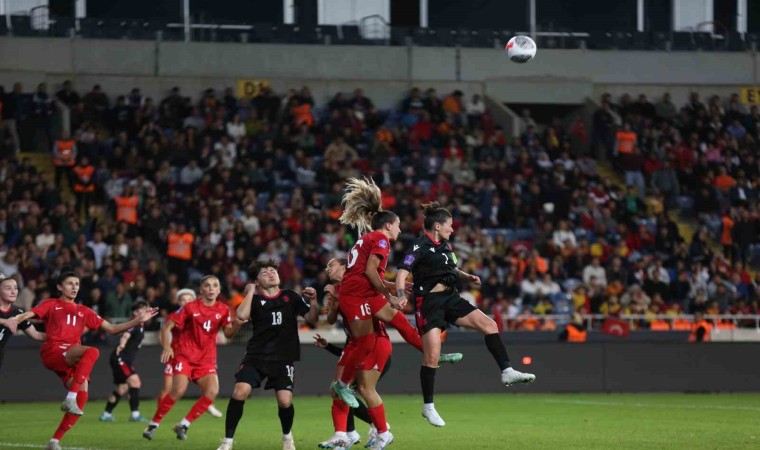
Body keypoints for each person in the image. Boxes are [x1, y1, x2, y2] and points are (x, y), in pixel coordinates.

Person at [331, 178, 458, 450]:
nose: (400, 229)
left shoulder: (368, 239)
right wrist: (389, 293)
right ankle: (342, 385)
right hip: (357, 296)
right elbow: (368, 272)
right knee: (365, 341)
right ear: (388, 225)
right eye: (398, 225)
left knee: (399, 321)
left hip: (363, 292)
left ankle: (433, 355)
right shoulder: (380, 239)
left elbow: (368, 272)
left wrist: (391, 287)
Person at [396, 202, 536, 427]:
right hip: (429, 302)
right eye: (450, 225)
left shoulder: (446, 246)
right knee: (432, 356)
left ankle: (507, 370)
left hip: (451, 298)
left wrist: (466, 276)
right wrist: (401, 294)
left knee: (489, 325)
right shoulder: (419, 246)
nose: (452, 229)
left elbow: (450, 269)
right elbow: (402, 273)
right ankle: (428, 406)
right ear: (438, 226)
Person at [11, 271, 158, 450]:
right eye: (70, 283)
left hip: (71, 357)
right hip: (54, 351)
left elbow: (112, 329)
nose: (74, 287)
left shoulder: (84, 311)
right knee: (92, 352)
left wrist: (137, 320)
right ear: (59, 286)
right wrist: (14, 319)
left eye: (77, 284)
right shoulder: (51, 304)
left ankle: (54, 441)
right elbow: (29, 314)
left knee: (82, 397)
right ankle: (70, 398)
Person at [217, 260, 319, 450]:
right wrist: (249, 293)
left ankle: (287, 437)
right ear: (256, 282)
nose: (271, 274)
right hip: (256, 356)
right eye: (265, 273)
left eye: (273, 271)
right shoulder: (254, 300)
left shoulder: (290, 296)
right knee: (239, 392)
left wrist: (313, 301)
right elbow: (241, 316)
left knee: (285, 401)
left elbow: (313, 319)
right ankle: (227, 442)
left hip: (283, 358)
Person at [143, 275, 244, 441]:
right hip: (185, 356)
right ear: (201, 290)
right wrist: (167, 346)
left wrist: (238, 324)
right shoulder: (189, 307)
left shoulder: (223, 309)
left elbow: (227, 334)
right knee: (178, 390)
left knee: (212, 392)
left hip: (206, 360)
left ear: (219, 290)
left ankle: (183, 424)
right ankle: (154, 424)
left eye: (215, 285)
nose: (211, 288)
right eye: (207, 285)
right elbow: (166, 328)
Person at [317, 258, 392, 449]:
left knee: (362, 389)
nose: (327, 269)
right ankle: (346, 434)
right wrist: (334, 303)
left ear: (344, 267)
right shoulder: (339, 290)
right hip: (355, 344)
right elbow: (331, 319)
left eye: (331, 265)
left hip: (374, 344)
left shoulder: (358, 284)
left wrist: (337, 294)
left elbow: (373, 302)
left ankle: (379, 429)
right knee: (339, 389)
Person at [157, 288, 224, 418]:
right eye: (183, 300)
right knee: (168, 387)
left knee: (207, 383)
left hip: (198, 356)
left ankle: (208, 404)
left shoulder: (200, 316)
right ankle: (159, 414)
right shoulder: (173, 317)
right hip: (176, 356)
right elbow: (164, 332)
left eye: (189, 299)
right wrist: (166, 347)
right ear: (178, 302)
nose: (186, 302)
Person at [99, 300, 151, 423]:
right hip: (120, 358)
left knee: (122, 387)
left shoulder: (141, 325)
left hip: (122, 359)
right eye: (142, 309)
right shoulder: (134, 323)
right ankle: (135, 415)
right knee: (135, 382)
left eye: (146, 308)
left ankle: (106, 414)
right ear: (135, 312)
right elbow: (126, 335)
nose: (145, 310)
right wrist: (122, 344)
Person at [0, 274, 45, 371]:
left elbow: (36, 335)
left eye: (15, 288)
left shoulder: (17, 313)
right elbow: (6, 322)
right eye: (8, 288)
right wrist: (4, 321)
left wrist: (60, 337)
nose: (13, 292)